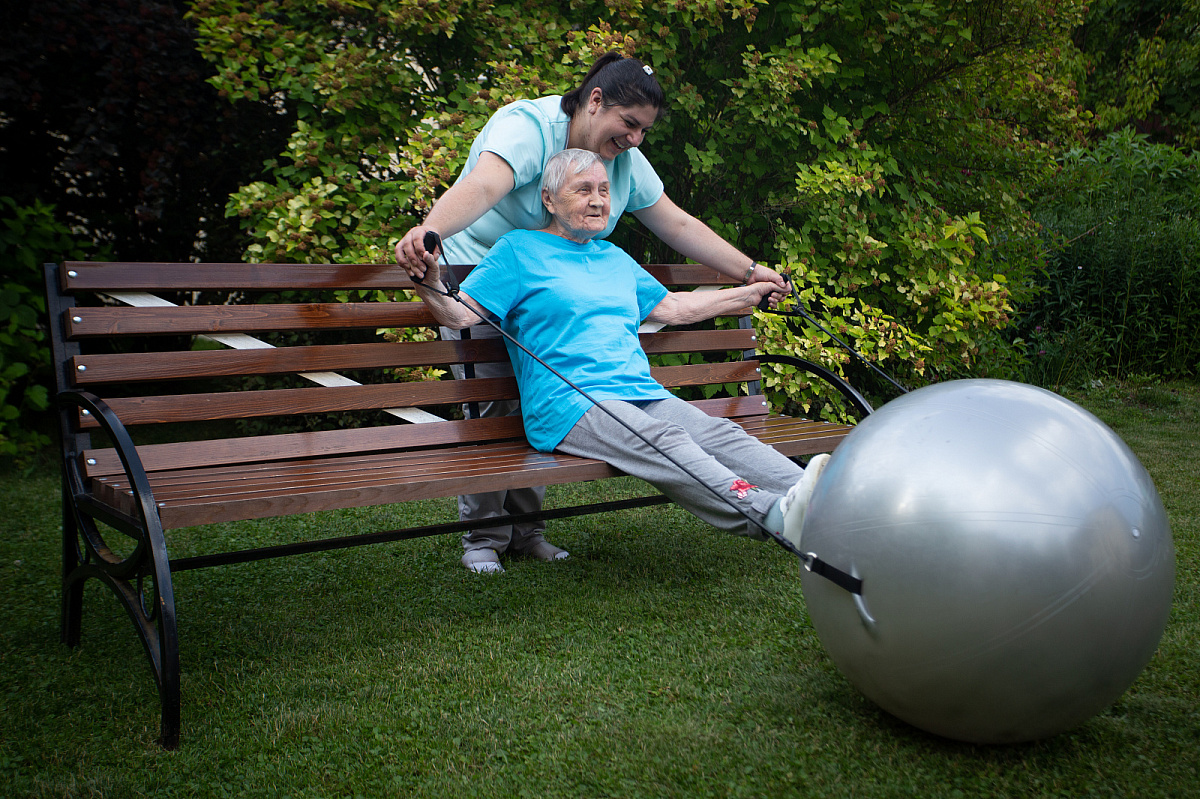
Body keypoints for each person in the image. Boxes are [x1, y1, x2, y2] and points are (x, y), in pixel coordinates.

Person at [396, 52, 789, 574]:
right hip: (479, 273)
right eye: (629, 124)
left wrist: (749, 274)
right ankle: (486, 536)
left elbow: (679, 226)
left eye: (644, 130)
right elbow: (484, 188)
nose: (634, 139)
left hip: (570, 303)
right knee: (494, 414)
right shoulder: (528, 128)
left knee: (554, 399)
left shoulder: (616, 201)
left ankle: (528, 533)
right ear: (596, 101)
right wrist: (430, 240)